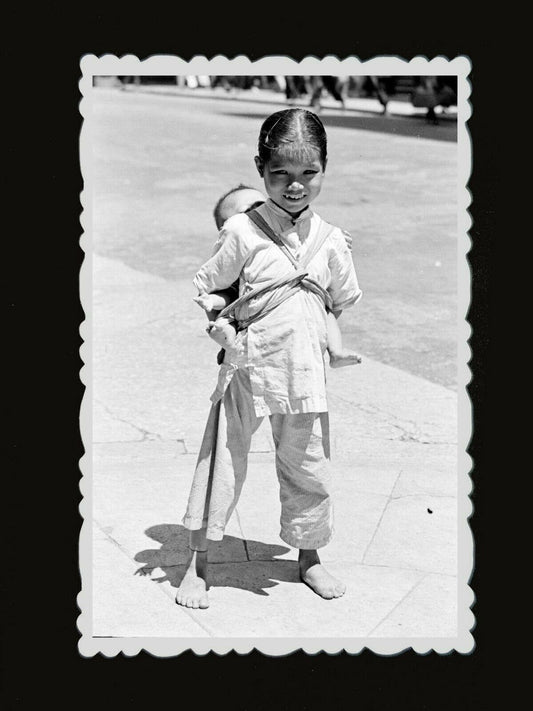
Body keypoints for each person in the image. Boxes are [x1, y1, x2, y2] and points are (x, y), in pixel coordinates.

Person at [177, 108, 362, 610]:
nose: (294, 186)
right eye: (280, 173)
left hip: (305, 375)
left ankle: (310, 559)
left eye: (308, 173)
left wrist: (334, 341)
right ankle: (199, 564)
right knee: (223, 464)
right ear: (262, 168)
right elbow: (209, 286)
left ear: (324, 169)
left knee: (309, 469)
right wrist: (221, 324)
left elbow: (339, 298)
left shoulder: (329, 239)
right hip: (246, 367)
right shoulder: (241, 230)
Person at [196, 185, 361, 368]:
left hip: (300, 329)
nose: (257, 214)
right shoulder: (238, 252)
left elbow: (323, 243)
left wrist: (338, 243)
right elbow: (214, 290)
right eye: (247, 213)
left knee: (327, 312)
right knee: (229, 312)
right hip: (256, 334)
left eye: (261, 205)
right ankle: (229, 340)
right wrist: (212, 307)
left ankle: (336, 351)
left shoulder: (297, 235)